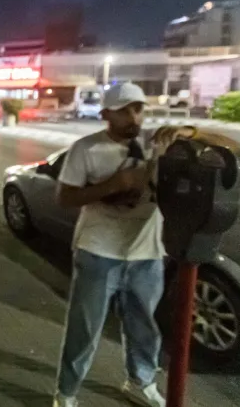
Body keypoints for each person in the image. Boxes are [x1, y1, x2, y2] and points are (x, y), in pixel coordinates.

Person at [53, 83, 196, 407]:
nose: (134, 117)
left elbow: (230, 146)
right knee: (85, 330)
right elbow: (64, 197)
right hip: (98, 251)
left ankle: (140, 381)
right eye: (124, 110)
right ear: (105, 114)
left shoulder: (155, 143)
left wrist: (185, 130)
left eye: (138, 109)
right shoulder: (86, 149)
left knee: (145, 326)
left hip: (147, 254)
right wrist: (111, 186)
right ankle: (67, 392)